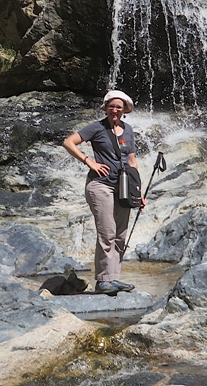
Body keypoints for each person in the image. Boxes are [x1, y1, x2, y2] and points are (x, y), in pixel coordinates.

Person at [62, 90, 144, 295]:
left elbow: (132, 161)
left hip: (124, 187)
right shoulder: (96, 127)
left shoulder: (128, 130)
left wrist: (137, 191)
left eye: (118, 107)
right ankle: (103, 280)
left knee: (120, 234)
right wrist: (89, 161)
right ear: (106, 108)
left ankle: (113, 277)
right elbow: (68, 142)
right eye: (111, 106)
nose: (115, 110)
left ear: (124, 110)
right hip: (100, 185)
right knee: (107, 232)